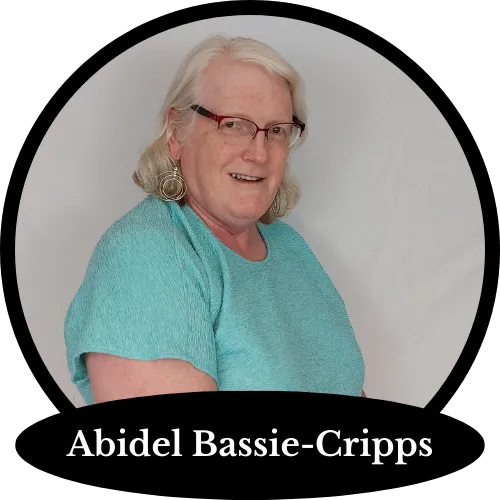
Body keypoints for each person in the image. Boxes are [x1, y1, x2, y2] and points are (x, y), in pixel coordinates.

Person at [64, 34, 366, 405]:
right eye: (233, 124)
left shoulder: (290, 249)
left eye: (276, 130)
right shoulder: (145, 254)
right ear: (177, 133)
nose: (258, 153)